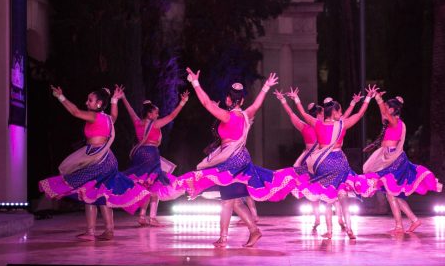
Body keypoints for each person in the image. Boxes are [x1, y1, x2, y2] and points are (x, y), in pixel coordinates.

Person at [176, 69, 296, 248]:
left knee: (227, 200)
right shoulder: (247, 115)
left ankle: (228, 237)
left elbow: (206, 103)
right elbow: (257, 104)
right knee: (233, 201)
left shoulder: (227, 116)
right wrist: (265, 87)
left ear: (228, 100)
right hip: (241, 160)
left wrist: (195, 82)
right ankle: (251, 231)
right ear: (242, 100)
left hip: (231, 162)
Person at [39, 86, 149, 241]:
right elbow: (115, 114)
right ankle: (109, 231)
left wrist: (61, 97)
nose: (86, 102)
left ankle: (91, 232)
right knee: (101, 194)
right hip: (108, 159)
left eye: (90, 100)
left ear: (98, 104)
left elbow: (75, 112)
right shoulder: (108, 119)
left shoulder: (95, 117)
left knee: (88, 191)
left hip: (97, 159)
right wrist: (114, 100)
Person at [287, 86, 377, 240]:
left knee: (327, 197)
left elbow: (302, 113)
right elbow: (360, 114)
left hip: (324, 163)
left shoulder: (317, 124)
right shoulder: (342, 125)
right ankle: (349, 229)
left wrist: (296, 99)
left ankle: (329, 231)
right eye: (340, 111)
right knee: (343, 196)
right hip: (339, 161)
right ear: (334, 112)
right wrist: (368, 98)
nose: (341, 114)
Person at [362, 88, 442, 234]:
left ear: (392, 110)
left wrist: (378, 99)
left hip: (394, 160)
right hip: (387, 157)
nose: (385, 110)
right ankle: (413, 220)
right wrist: (378, 99)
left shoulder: (396, 122)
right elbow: (383, 114)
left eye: (387, 107)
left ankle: (400, 225)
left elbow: (384, 113)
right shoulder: (389, 121)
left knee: (391, 192)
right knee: (392, 192)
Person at [274, 90, 348, 232]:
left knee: (315, 189)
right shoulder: (324, 126)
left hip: (310, 160)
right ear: (320, 114)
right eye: (322, 112)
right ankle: (339, 218)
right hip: (323, 159)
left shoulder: (306, 126)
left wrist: (283, 101)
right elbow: (343, 118)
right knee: (332, 188)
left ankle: (318, 218)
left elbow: (292, 114)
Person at [120, 88, 189, 227]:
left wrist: (123, 97)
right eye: (156, 112)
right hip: (151, 154)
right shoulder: (155, 124)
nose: (158, 114)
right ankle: (152, 218)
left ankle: (142, 216)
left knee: (146, 186)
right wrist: (182, 102)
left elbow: (130, 110)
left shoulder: (137, 122)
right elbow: (171, 117)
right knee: (155, 186)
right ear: (150, 113)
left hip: (139, 155)